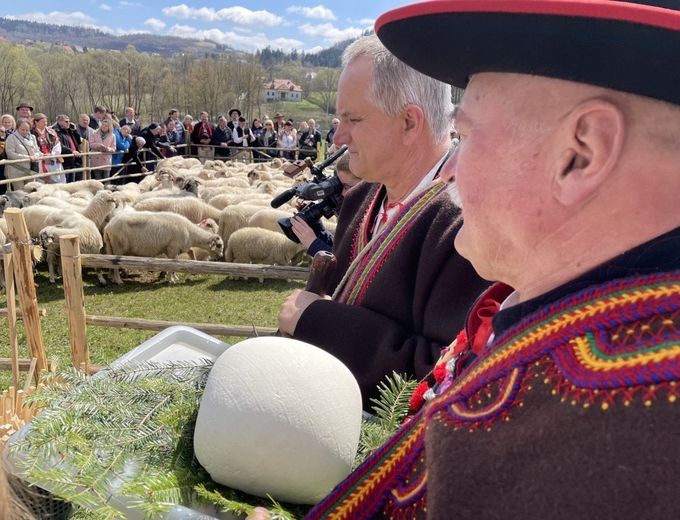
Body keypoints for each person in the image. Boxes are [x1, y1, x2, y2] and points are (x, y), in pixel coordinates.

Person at [305, 1, 680, 518]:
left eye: (464, 135)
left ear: (581, 154)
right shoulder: (604, 347)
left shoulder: (599, 420)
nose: (451, 167)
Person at [278, 35, 489, 408]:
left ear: (409, 122)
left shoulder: (465, 222)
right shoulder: (360, 198)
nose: (339, 137)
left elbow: (444, 371)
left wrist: (318, 320)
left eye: (353, 119)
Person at [290, 154, 361, 256]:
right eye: (340, 186)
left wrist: (313, 244)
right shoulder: (355, 213)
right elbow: (340, 248)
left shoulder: (373, 220)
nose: (342, 193)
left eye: (347, 187)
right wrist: (317, 228)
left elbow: (352, 264)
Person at [5, 118, 40, 190]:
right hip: (17, 171)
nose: (25, 132)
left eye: (27, 130)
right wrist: (28, 157)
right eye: (22, 129)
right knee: (20, 193)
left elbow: (37, 150)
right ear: (17, 128)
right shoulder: (11, 138)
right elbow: (10, 153)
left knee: (31, 192)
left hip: (31, 169)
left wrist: (36, 155)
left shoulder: (32, 137)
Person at [31, 113, 65, 184]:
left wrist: (51, 155)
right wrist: (42, 156)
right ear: (36, 122)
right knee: (42, 181)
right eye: (43, 122)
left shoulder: (51, 132)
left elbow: (57, 145)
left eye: (46, 121)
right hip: (40, 161)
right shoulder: (31, 133)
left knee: (57, 180)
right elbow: (32, 147)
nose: (45, 123)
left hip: (53, 160)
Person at [52, 114, 83, 183]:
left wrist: (74, 131)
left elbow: (79, 142)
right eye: (66, 121)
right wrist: (71, 151)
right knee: (65, 182)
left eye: (69, 121)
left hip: (73, 160)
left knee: (73, 182)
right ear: (59, 121)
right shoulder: (56, 131)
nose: (68, 123)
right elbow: (60, 145)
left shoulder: (69, 130)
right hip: (65, 160)